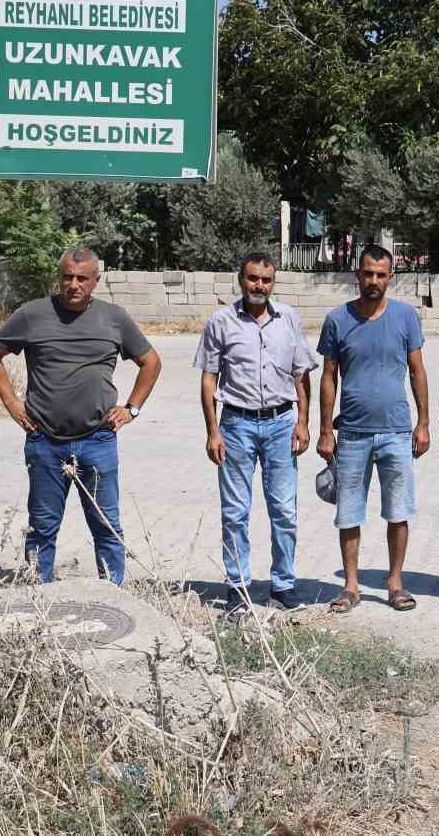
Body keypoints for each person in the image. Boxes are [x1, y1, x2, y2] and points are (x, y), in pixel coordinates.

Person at [0, 248, 162, 585]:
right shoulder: (32, 314)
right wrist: (10, 402)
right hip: (45, 441)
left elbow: (151, 362)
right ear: (59, 277)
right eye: (67, 277)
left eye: (82, 278)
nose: (73, 284)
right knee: (42, 527)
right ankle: (38, 598)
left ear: (96, 281)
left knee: (107, 527)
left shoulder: (114, 318)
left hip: (98, 439)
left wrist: (131, 408)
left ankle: (113, 595)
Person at [195, 253, 319, 615]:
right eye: (252, 279)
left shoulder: (288, 319)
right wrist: (212, 431)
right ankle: (238, 586)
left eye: (265, 280)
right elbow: (208, 378)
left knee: (284, 509)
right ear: (240, 279)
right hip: (236, 426)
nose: (259, 286)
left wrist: (303, 421)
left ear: (273, 282)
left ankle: (283, 584)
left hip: (281, 424)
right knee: (235, 511)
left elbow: (301, 374)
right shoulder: (220, 322)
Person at [316, 245, 431, 614]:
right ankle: (350, 587)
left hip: (397, 431)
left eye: (381, 274)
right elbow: (328, 377)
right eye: (368, 273)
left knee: (398, 511)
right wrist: (325, 430)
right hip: (351, 433)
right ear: (357, 274)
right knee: (349, 513)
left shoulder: (405, 317)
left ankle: (395, 583)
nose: (374, 281)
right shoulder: (337, 319)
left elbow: (417, 371)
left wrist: (424, 423)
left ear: (390, 277)